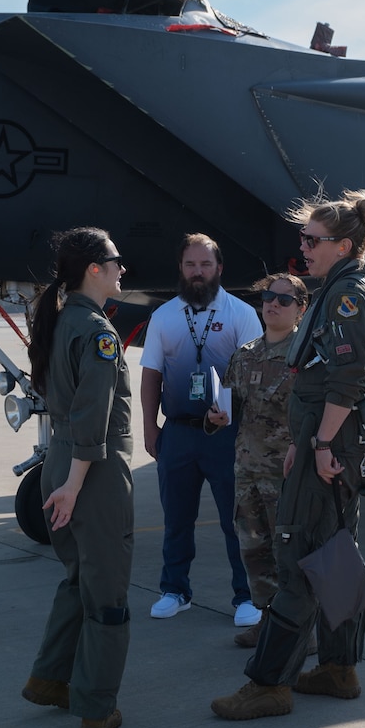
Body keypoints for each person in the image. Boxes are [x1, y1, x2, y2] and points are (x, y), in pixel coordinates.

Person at [211, 191, 365, 720]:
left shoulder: (348, 295)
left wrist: (323, 444)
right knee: (335, 554)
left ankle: (269, 684)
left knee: (297, 559)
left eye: (313, 240)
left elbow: (349, 378)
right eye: (303, 238)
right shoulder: (342, 287)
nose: (303, 247)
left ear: (344, 245)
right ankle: (339, 668)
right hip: (324, 441)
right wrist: (309, 441)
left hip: (330, 443)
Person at [21, 228, 135, 728]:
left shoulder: (63, 321)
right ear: (94, 269)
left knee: (77, 579)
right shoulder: (97, 332)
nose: (121, 270)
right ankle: (95, 707)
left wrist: (63, 481)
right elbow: (94, 416)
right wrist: (74, 486)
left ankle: (50, 678)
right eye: (115, 262)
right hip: (92, 473)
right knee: (106, 590)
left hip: (60, 462)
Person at [138, 234, 263, 625]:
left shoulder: (242, 314)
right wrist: (149, 429)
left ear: (219, 269)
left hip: (227, 435)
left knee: (235, 520)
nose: (198, 272)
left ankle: (246, 597)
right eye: (190, 265)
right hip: (177, 432)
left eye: (205, 265)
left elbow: (255, 377)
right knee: (176, 519)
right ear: (181, 269)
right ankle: (175, 590)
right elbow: (151, 377)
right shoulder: (164, 317)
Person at [207, 273, 308, 648]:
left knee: (290, 555)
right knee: (254, 552)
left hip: (287, 474)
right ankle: (268, 620)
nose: (272, 304)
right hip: (248, 471)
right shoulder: (246, 354)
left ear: (301, 308)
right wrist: (214, 418)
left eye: (284, 300)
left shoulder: (306, 356)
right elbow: (229, 405)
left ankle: (299, 629)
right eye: (268, 296)